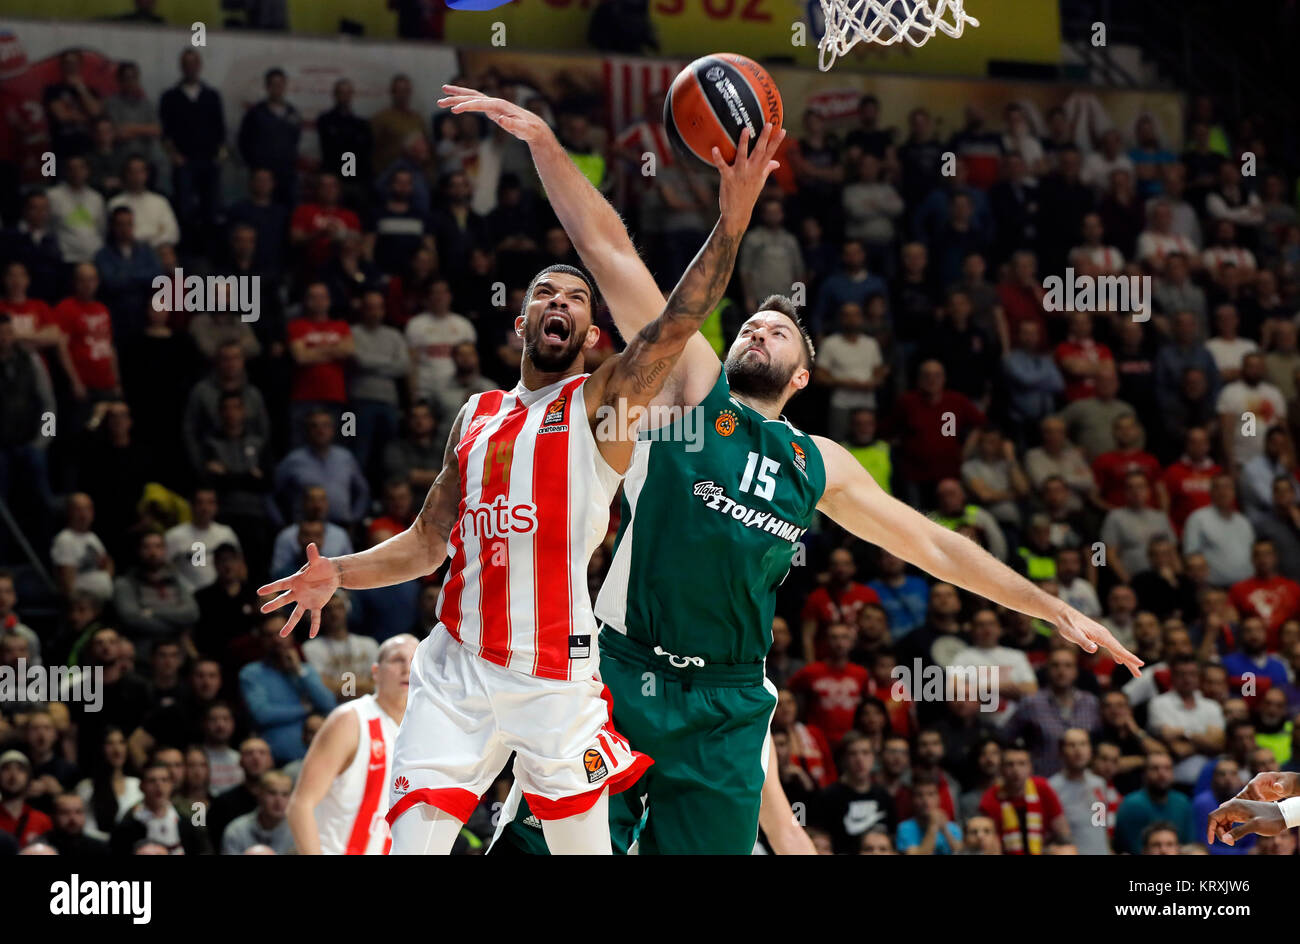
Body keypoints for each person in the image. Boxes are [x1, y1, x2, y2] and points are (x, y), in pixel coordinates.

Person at [448, 87, 1139, 857]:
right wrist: (546, 144)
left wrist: (1048, 607)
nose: (757, 331)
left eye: (777, 331)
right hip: (618, 674)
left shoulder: (820, 463)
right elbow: (611, 255)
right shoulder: (692, 392)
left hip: (729, 701)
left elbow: (936, 547)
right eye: (749, 324)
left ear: (802, 377)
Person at [257, 103, 792, 858]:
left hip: (558, 679)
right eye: (546, 292)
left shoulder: (603, 403)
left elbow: (679, 320)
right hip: (458, 671)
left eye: (575, 297)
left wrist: (731, 221)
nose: (560, 303)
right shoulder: (475, 415)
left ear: (593, 336)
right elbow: (425, 543)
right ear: (521, 321)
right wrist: (336, 574)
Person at [286, 635, 418, 854]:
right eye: (397, 660)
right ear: (375, 672)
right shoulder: (350, 719)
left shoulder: (421, 733)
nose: (407, 669)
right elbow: (300, 805)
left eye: (414, 661)